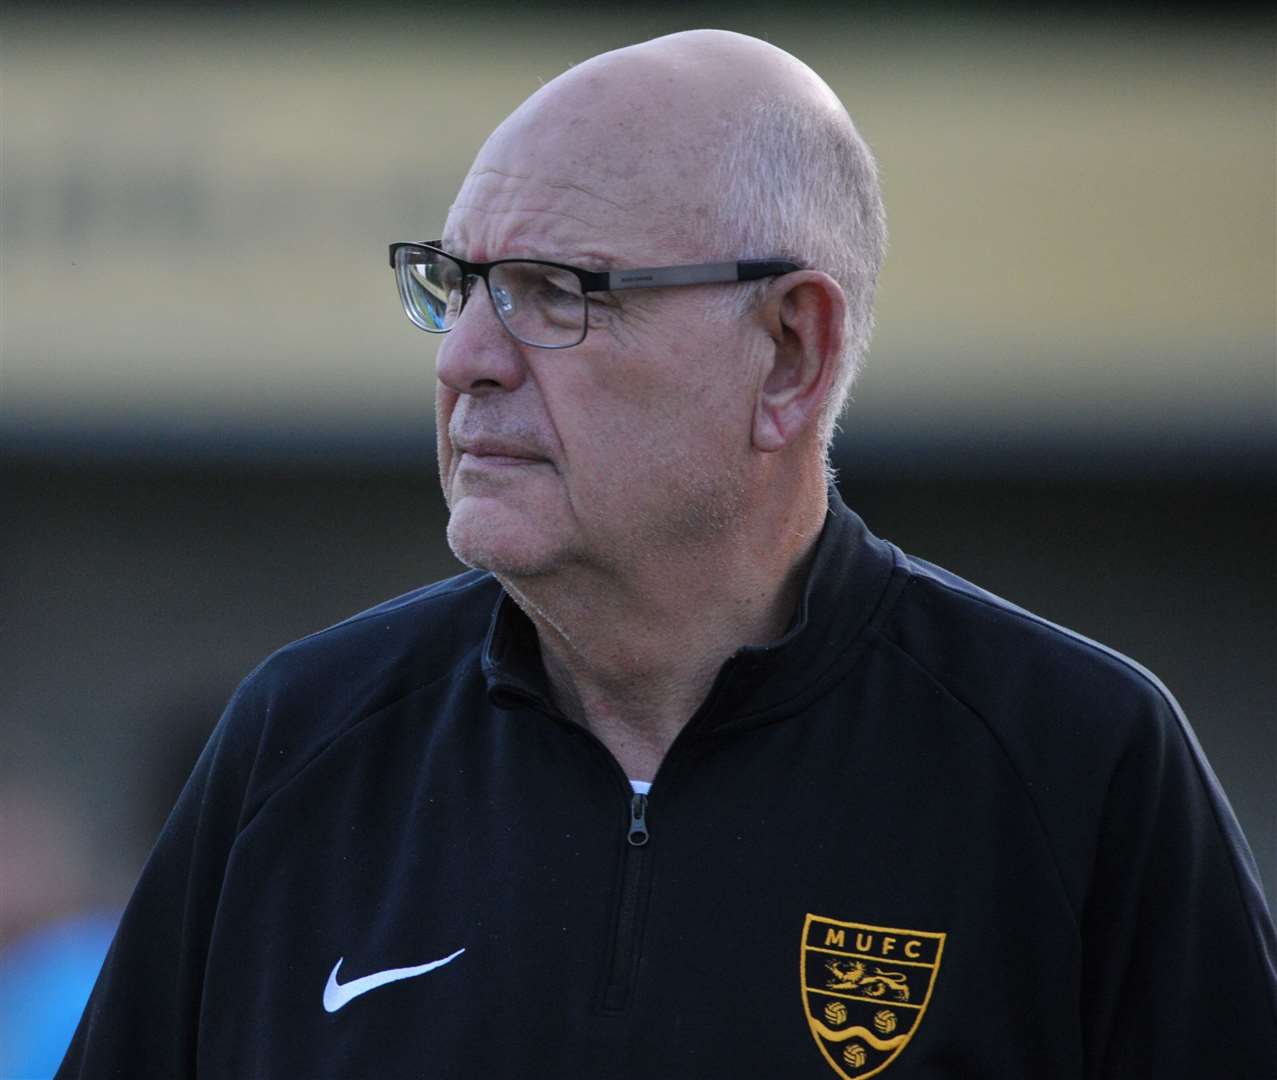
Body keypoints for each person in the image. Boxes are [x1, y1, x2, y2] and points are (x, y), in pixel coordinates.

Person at [58, 29, 1275, 1079]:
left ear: (789, 352)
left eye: (550, 290)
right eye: (454, 285)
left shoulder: (1075, 763)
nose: (462, 360)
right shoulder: (298, 744)